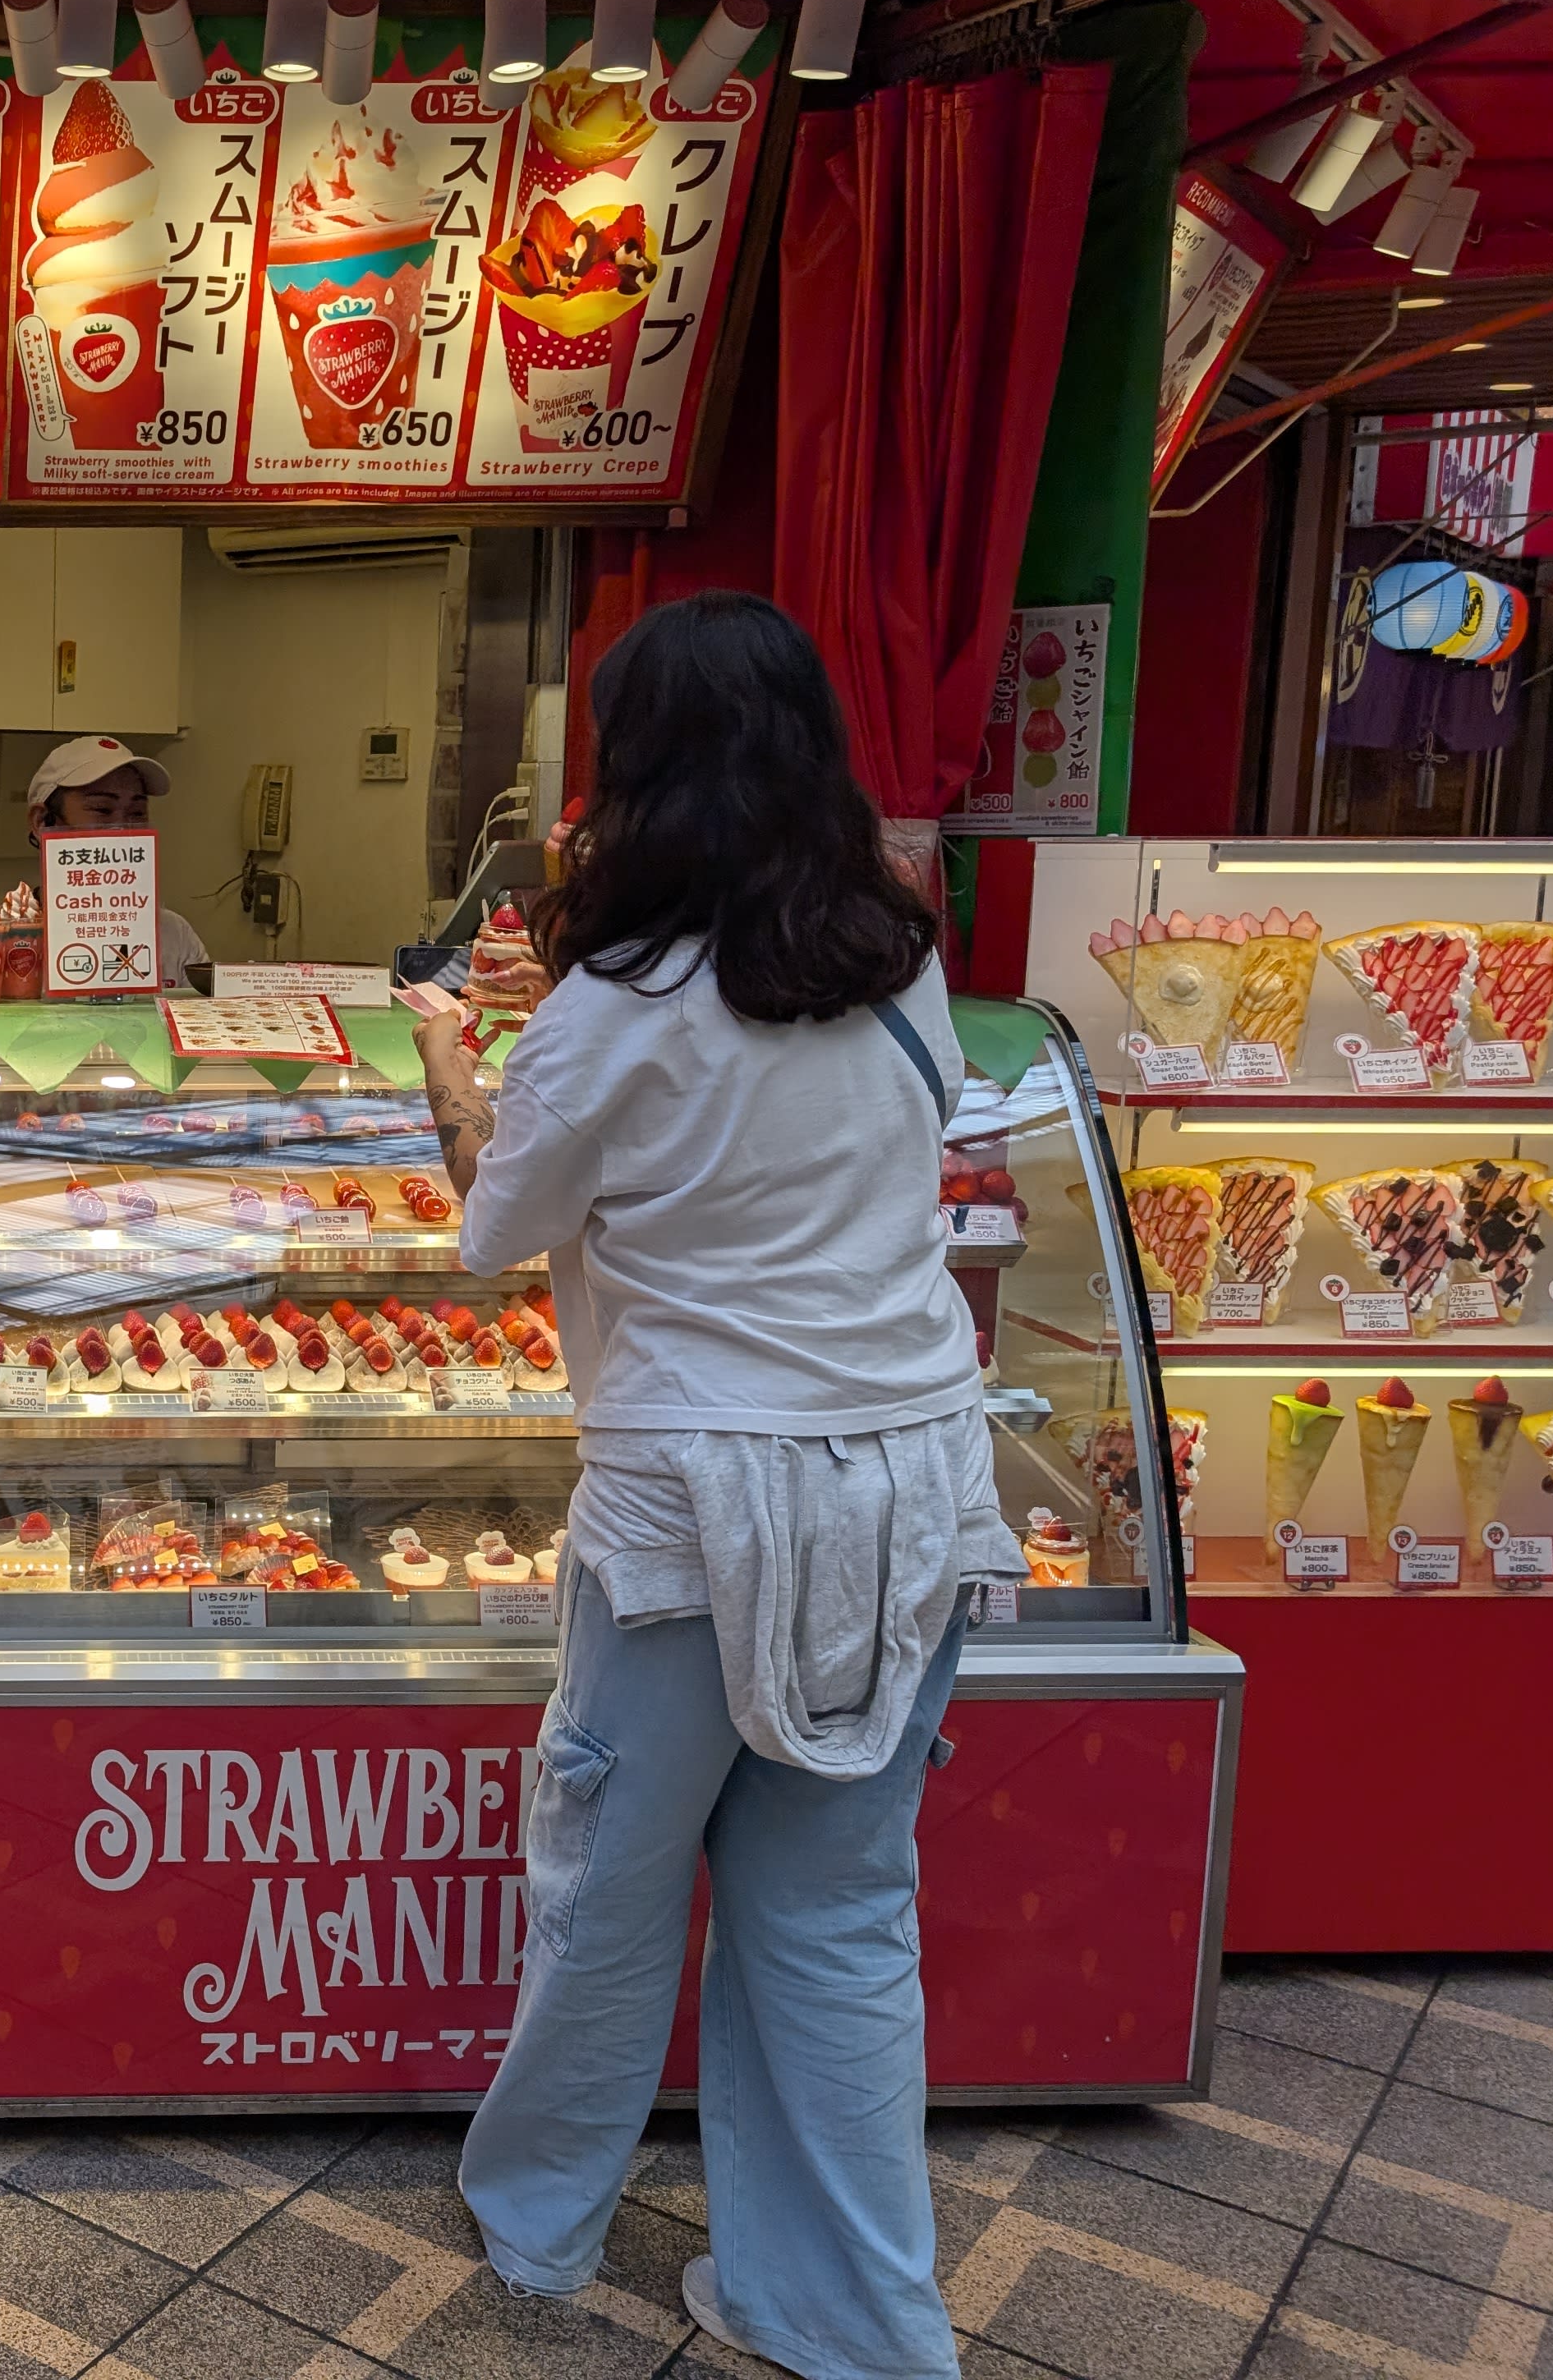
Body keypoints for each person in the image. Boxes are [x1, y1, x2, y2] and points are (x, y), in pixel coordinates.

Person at [416, 590, 1019, 2380]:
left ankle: (541, 2227)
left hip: (689, 1503)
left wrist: (455, 1069)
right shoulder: (899, 959)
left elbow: (491, 1239)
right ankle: (843, 2312)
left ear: (639, 772)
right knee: (839, 1914)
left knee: (611, 1882)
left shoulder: (616, 1003)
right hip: (913, 1480)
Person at [25, 734, 208, 990]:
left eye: (137, 814)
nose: (123, 830)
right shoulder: (0, 939)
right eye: (102, 809)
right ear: (42, 822)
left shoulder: (174, 934)